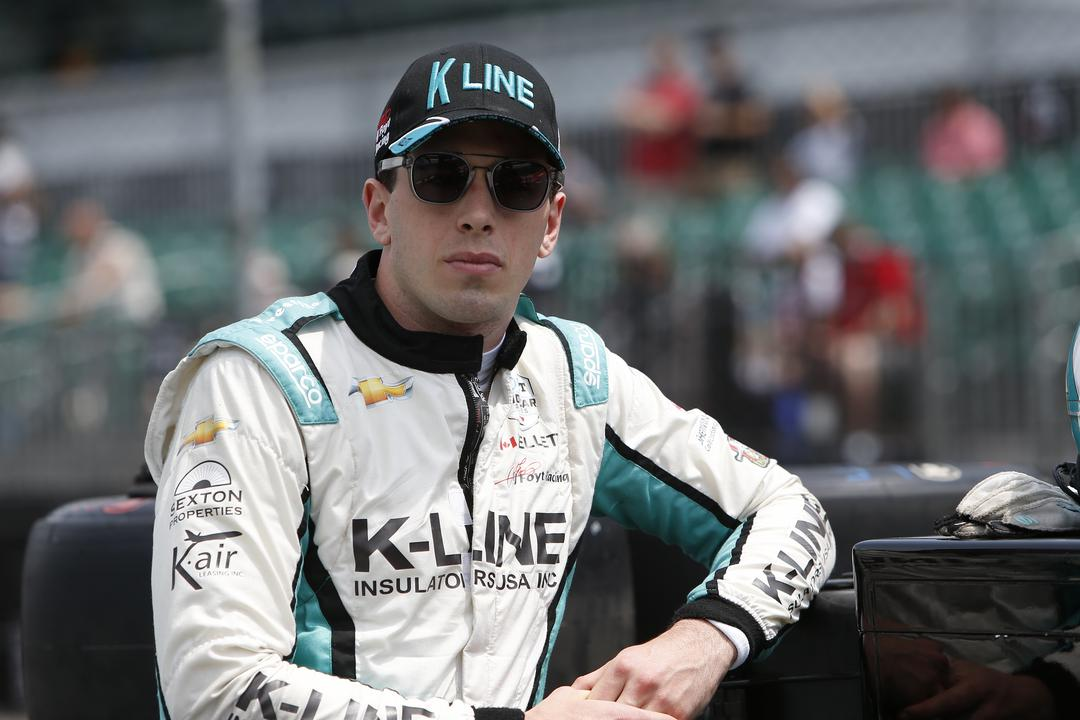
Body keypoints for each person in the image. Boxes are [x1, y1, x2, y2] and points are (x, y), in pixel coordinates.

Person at [146, 43, 835, 720]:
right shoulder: (260, 382)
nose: (479, 212)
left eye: (517, 183)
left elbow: (786, 507)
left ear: (551, 223)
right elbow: (212, 688)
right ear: (379, 209)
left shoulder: (573, 377)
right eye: (441, 175)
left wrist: (705, 638)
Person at [57, 199, 163, 326]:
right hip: (104, 323)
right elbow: (71, 295)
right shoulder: (74, 254)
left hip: (141, 319)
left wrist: (79, 302)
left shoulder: (118, 240)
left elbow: (109, 278)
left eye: (80, 220)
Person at [920, 87, 1007, 181]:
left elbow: (994, 156)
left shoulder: (982, 121)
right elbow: (932, 162)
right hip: (950, 179)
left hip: (983, 174)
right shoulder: (934, 126)